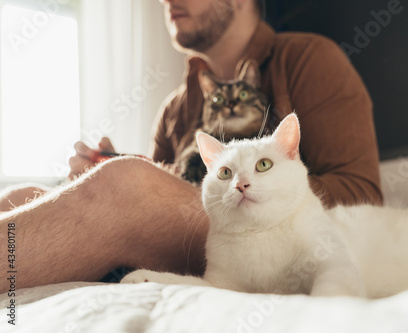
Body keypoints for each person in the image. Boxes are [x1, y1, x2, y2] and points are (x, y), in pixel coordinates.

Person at [0, 0, 382, 293]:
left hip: (255, 228)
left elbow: (362, 192)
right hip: (203, 226)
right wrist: (112, 174)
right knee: (21, 196)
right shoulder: (176, 107)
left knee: (122, 182)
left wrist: (126, 186)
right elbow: (156, 197)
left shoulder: (310, 59)